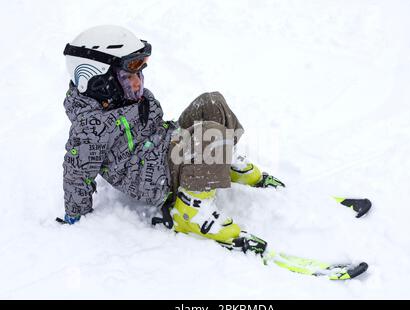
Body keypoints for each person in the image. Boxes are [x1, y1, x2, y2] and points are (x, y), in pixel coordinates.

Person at [61, 25, 285, 254]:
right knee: (209, 133)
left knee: (212, 103)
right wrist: (75, 215)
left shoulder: (125, 99)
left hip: (162, 149)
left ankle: (219, 159)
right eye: (128, 77)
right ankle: (190, 211)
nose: (138, 82)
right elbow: (76, 172)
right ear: (99, 82)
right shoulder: (90, 127)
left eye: (139, 73)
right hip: (153, 179)